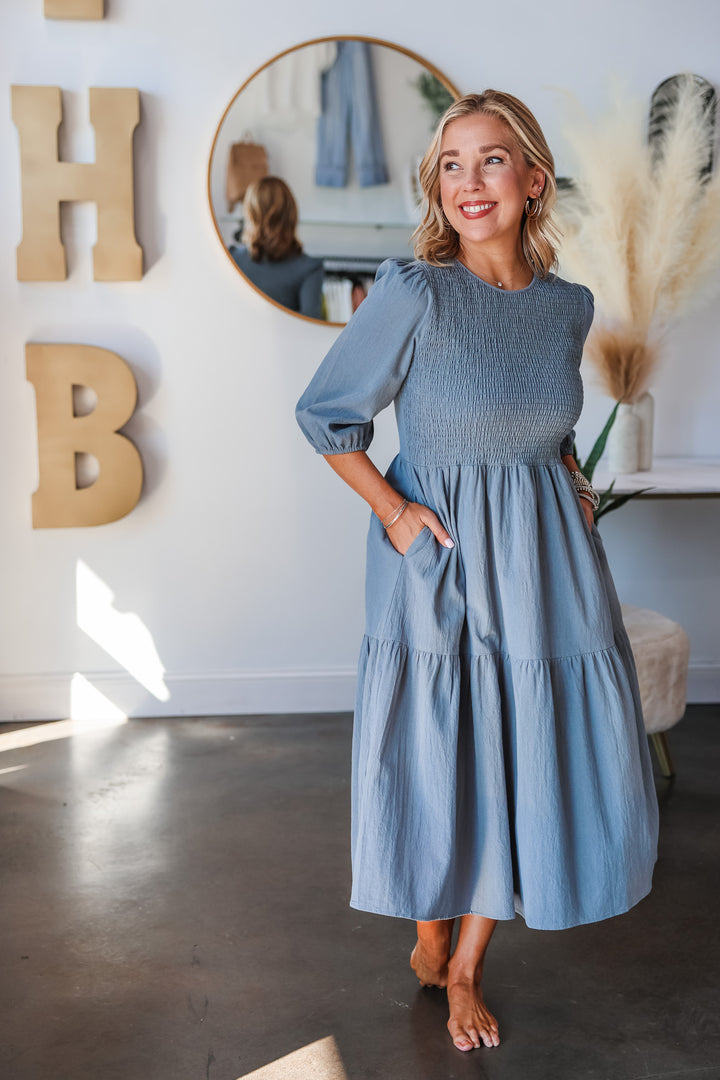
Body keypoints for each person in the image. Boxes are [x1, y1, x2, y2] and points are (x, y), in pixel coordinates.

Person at [294, 91, 659, 1053]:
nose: (470, 182)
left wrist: (573, 484)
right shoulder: (417, 292)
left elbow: (547, 424)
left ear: (533, 180)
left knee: (520, 746)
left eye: (492, 161)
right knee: (436, 744)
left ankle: (465, 968)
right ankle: (427, 926)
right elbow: (328, 417)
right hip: (439, 561)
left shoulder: (567, 307)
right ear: (437, 186)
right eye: (451, 165)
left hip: (545, 564)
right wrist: (398, 514)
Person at [229, 176, 324, 319]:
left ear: (250, 214)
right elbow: (311, 329)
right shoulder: (310, 268)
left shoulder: (231, 259)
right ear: (291, 214)